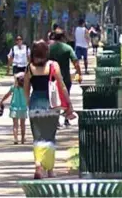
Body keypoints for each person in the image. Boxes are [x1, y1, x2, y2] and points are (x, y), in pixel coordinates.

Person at [23, 40, 73, 179]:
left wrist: (29, 104)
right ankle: (50, 169)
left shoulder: (29, 68)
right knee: (50, 137)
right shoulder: (53, 65)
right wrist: (69, 103)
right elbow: (62, 86)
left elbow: (26, 89)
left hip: (35, 104)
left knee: (38, 138)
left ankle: (38, 165)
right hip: (51, 105)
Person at [49, 28, 82, 127]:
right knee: (66, 97)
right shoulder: (67, 48)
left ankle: (56, 120)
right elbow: (76, 62)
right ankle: (66, 119)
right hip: (65, 78)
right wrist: (79, 74)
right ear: (63, 37)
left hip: (52, 78)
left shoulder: (49, 48)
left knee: (53, 99)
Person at [0, 72, 28, 144]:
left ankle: (15, 138)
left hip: (14, 108)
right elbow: (28, 96)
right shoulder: (26, 88)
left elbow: (7, 95)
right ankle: (23, 138)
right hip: (23, 108)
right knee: (22, 124)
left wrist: (1, 101)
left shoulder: (13, 87)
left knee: (15, 125)